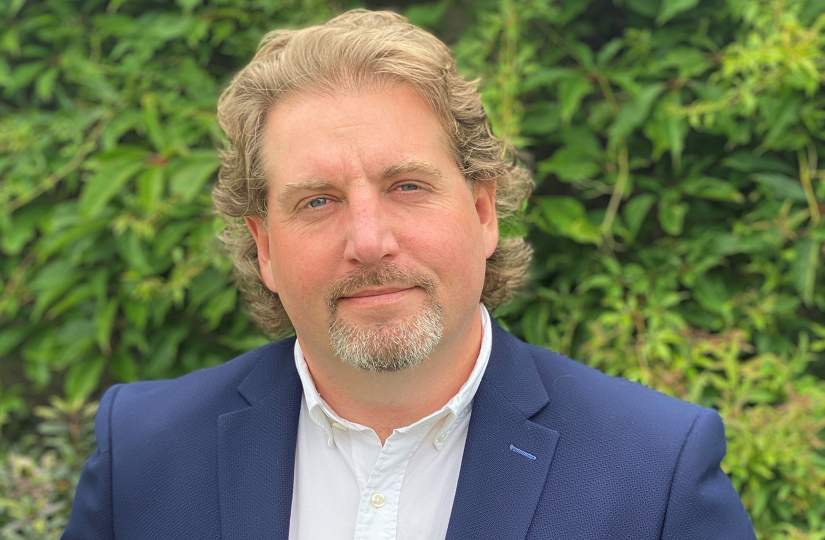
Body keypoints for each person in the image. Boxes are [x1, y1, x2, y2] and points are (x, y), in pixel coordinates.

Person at [62, 9, 757, 540]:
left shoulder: (654, 471)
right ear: (264, 246)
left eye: (407, 187)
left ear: (484, 212)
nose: (368, 241)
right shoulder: (145, 454)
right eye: (317, 201)